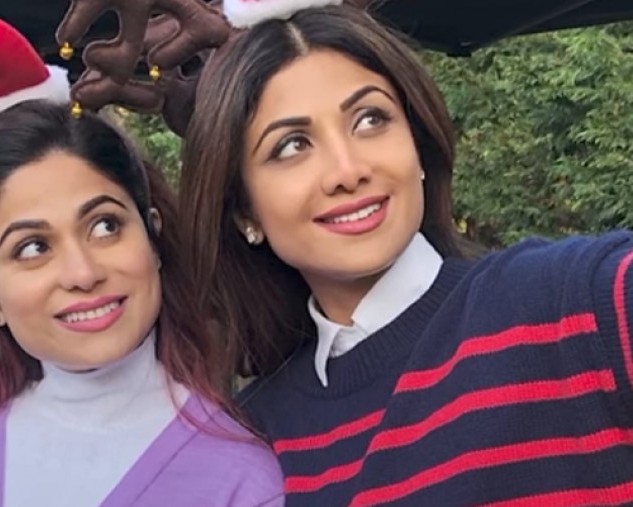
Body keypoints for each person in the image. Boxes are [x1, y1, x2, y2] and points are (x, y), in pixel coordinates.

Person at [179, 4, 633, 506]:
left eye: (371, 119)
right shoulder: (248, 443)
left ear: (418, 145)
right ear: (245, 211)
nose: (348, 170)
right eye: (291, 146)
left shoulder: (572, 304)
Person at [0, 98, 283, 506]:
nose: (83, 273)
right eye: (33, 248)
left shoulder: (239, 478)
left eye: (105, 226)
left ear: (153, 237)